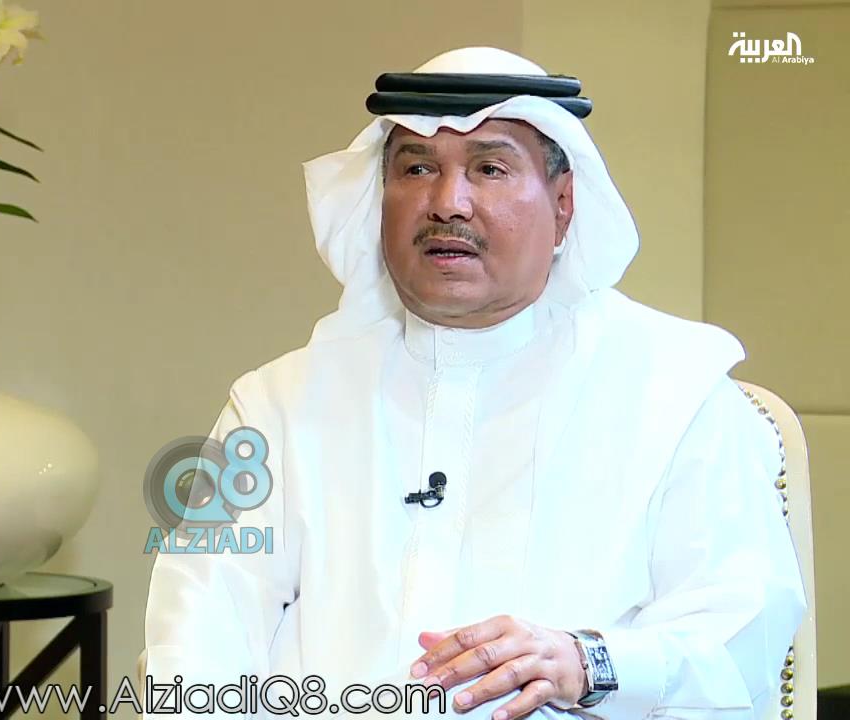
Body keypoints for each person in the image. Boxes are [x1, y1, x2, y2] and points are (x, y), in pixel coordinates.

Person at [142, 46, 806, 719]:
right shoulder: (275, 405)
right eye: (417, 168)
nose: (447, 203)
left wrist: (586, 662)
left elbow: (740, 634)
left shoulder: (676, 393)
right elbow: (194, 635)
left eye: (490, 169)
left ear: (564, 205)